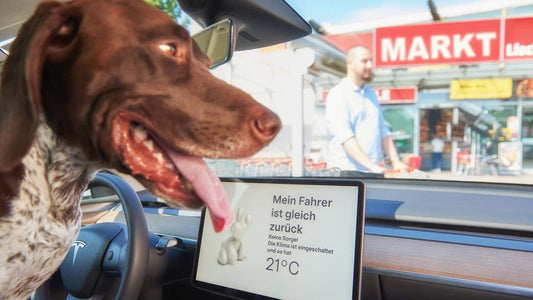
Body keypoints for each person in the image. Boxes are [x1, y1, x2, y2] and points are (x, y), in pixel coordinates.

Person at [325, 45, 407, 173]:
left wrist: (395, 161)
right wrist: (372, 167)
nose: (370, 65)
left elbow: (383, 131)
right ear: (350, 63)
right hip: (346, 172)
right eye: (364, 61)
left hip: (370, 172)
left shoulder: (371, 94)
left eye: (371, 61)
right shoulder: (338, 94)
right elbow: (345, 136)